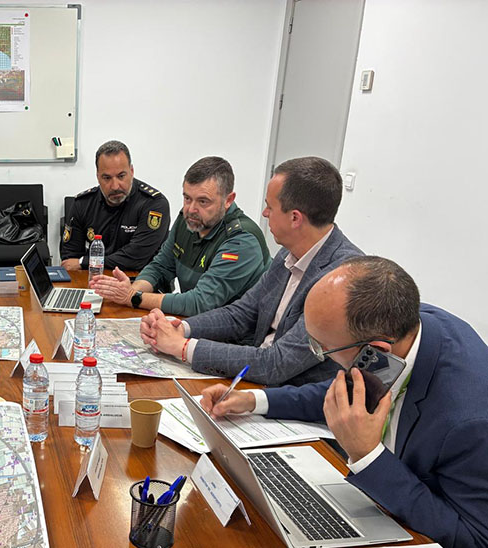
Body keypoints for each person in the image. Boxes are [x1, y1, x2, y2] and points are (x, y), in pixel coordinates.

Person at [201, 256, 488, 548]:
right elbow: (349, 389)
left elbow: (474, 537)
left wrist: (367, 456)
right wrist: (254, 399)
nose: (318, 353)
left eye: (321, 347)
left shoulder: (468, 421)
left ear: (374, 350)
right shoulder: (400, 328)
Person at [141, 156, 362, 386]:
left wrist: (183, 347)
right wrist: (181, 328)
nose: (264, 214)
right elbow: (242, 313)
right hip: (254, 380)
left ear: (295, 218)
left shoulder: (341, 281)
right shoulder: (287, 254)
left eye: (270, 206)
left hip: (292, 398)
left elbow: (276, 363)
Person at [91, 156, 270, 316]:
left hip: (235, 339)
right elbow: (160, 266)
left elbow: (200, 302)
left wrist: (134, 298)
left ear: (228, 200)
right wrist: (132, 289)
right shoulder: (189, 220)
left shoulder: (241, 240)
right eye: (187, 198)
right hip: (197, 324)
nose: (191, 209)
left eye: (203, 201)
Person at [60, 140, 170, 272]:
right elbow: (70, 257)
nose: (115, 186)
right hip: (95, 280)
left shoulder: (153, 204)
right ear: (98, 177)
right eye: (107, 178)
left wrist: (85, 262)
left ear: (132, 171)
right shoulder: (83, 203)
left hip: (140, 281)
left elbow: (135, 258)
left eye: (121, 176)